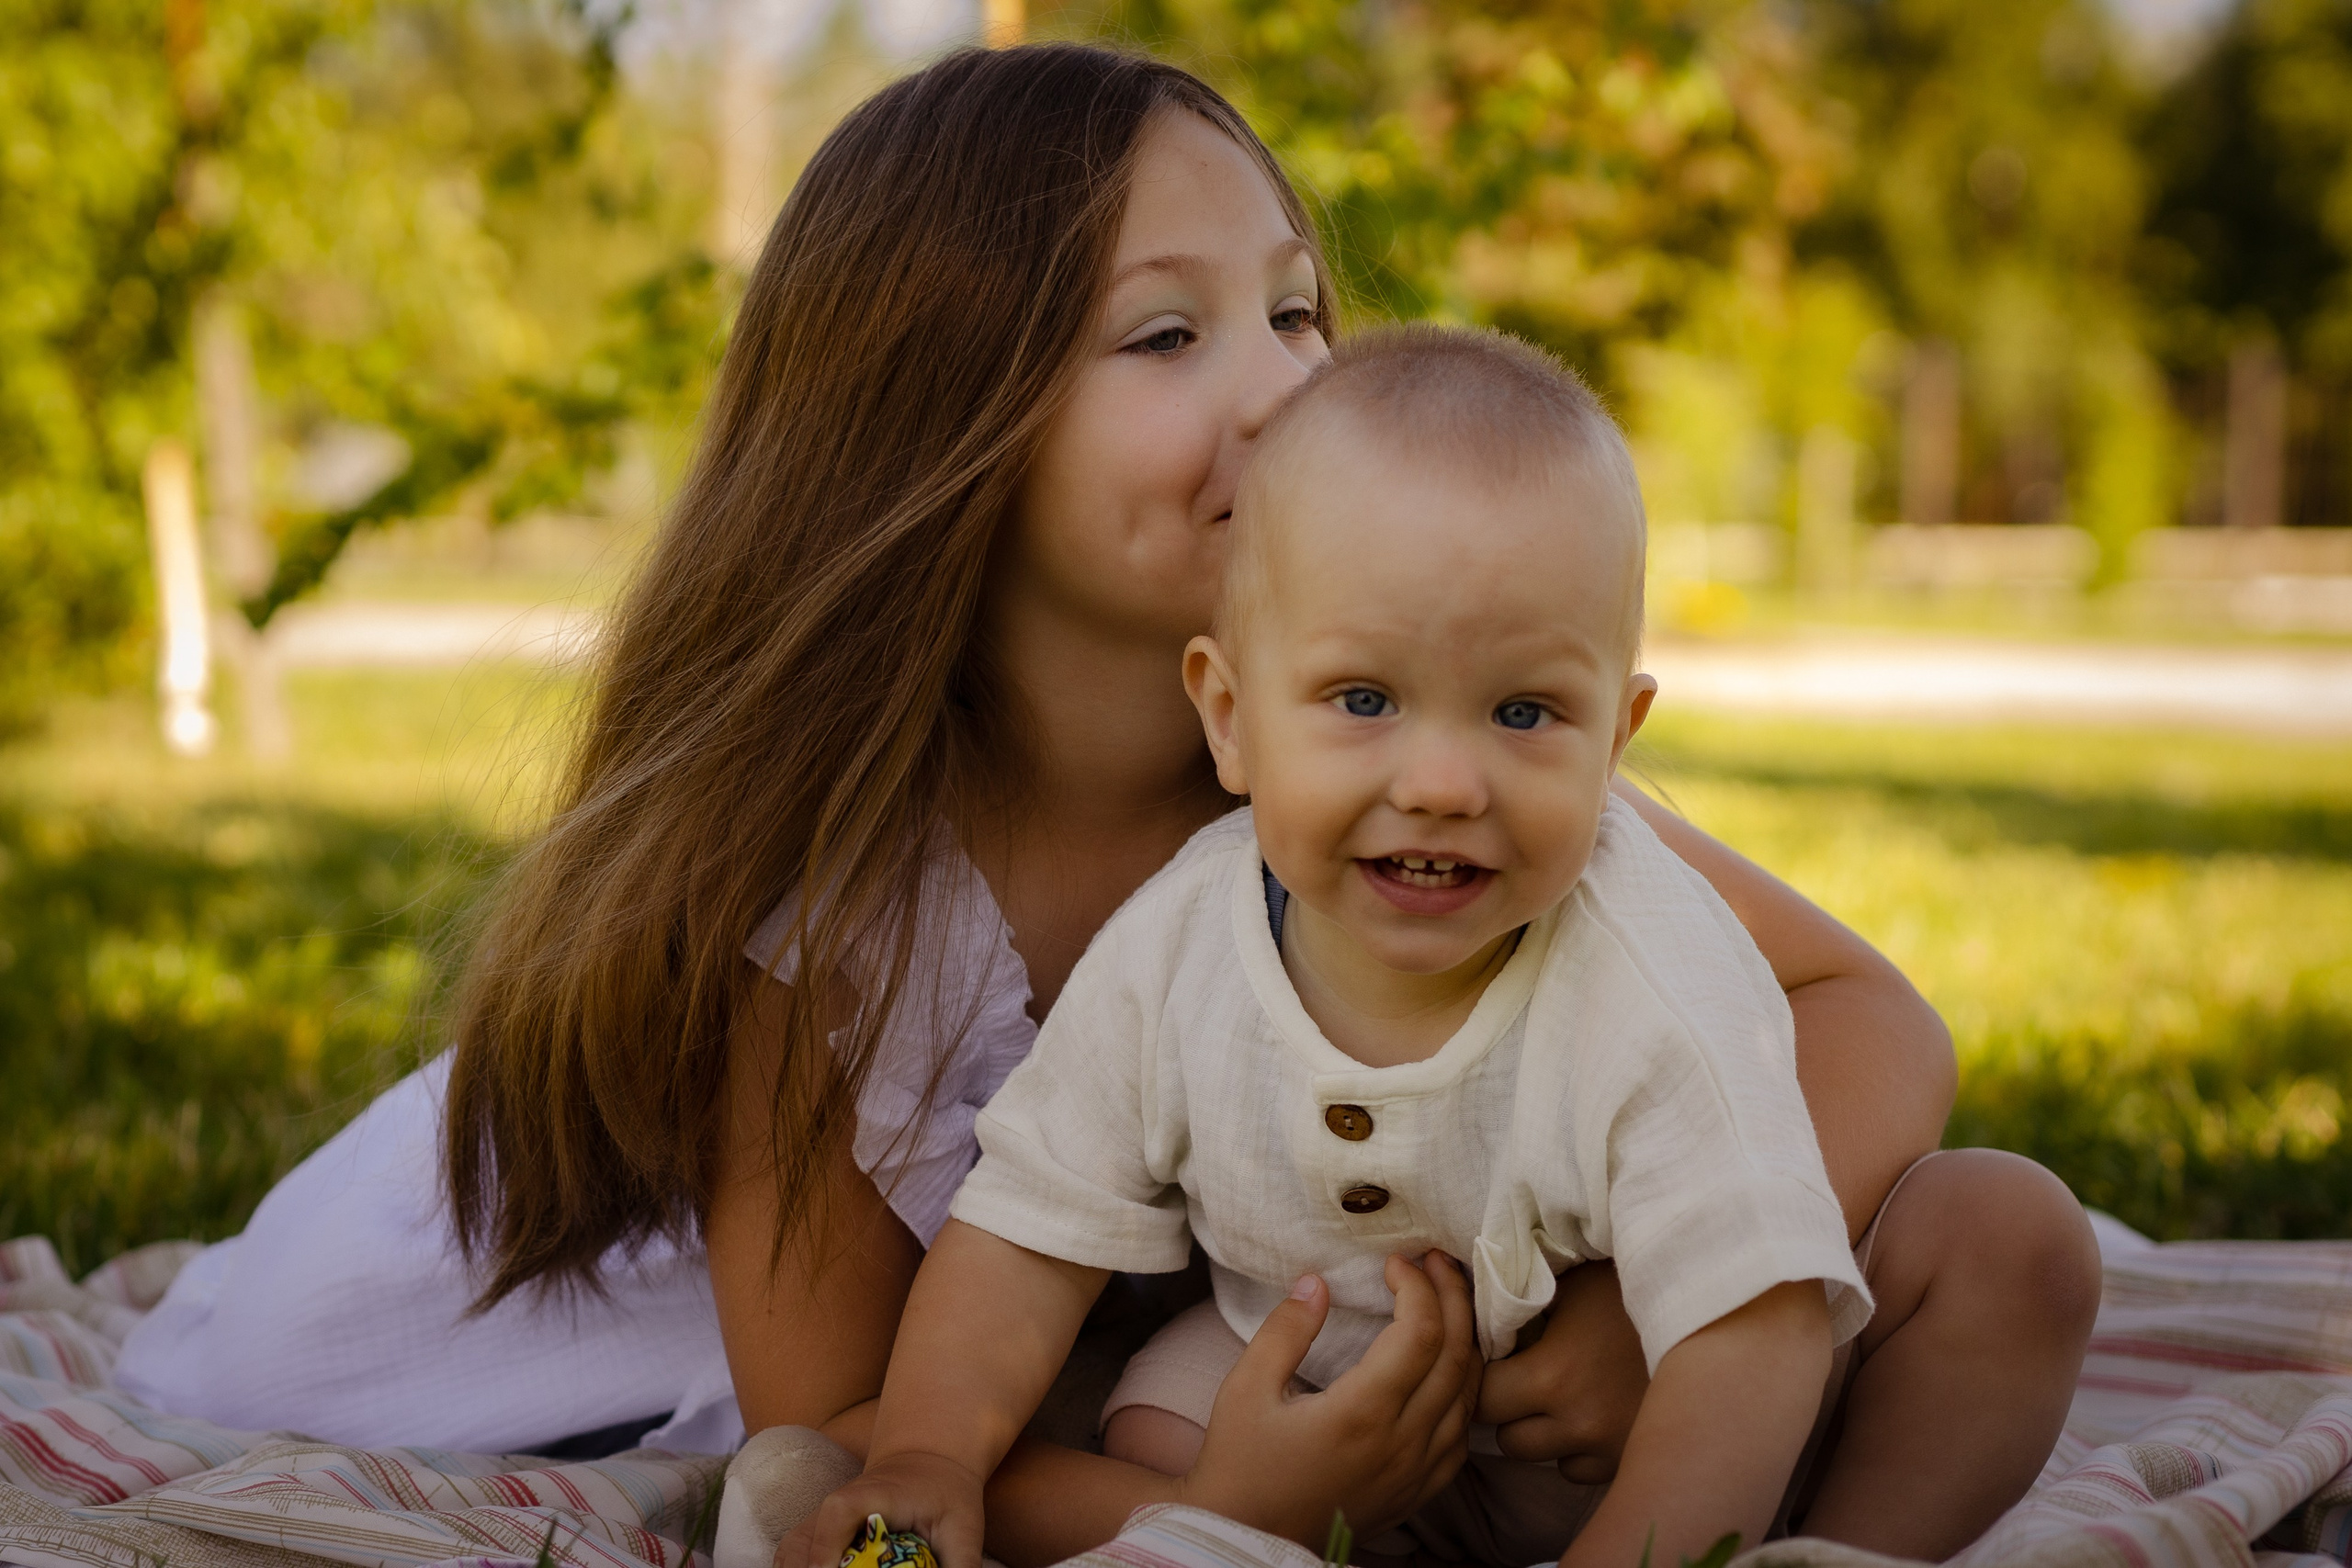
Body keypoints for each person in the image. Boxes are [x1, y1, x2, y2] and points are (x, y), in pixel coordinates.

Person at [114, 42, 2098, 1567]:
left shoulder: (1366, 760)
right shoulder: (827, 908)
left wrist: (1621, 1291)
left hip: (1268, 1328)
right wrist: (1225, 1492)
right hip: (474, 1322)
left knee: (1982, 1234)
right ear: (940, 424)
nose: (1281, 386)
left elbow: (1865, 1016)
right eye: (1167, 334)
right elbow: (858, 1440)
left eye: (1297, 310)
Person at [775, 326, 2084, 1568]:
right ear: (1229, 718)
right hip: (1293, 1390)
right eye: (1364, 700)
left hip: (1611, 1434)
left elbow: (1756, 1327)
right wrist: (931, 1454)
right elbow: (1026, 1229)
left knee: (2011, 1241)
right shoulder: (1177, 948)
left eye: (1524, 712)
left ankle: (1840, 1551)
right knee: (1154, 1415)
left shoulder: (1648, 968)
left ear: (1616, 743)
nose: (1446, 781)